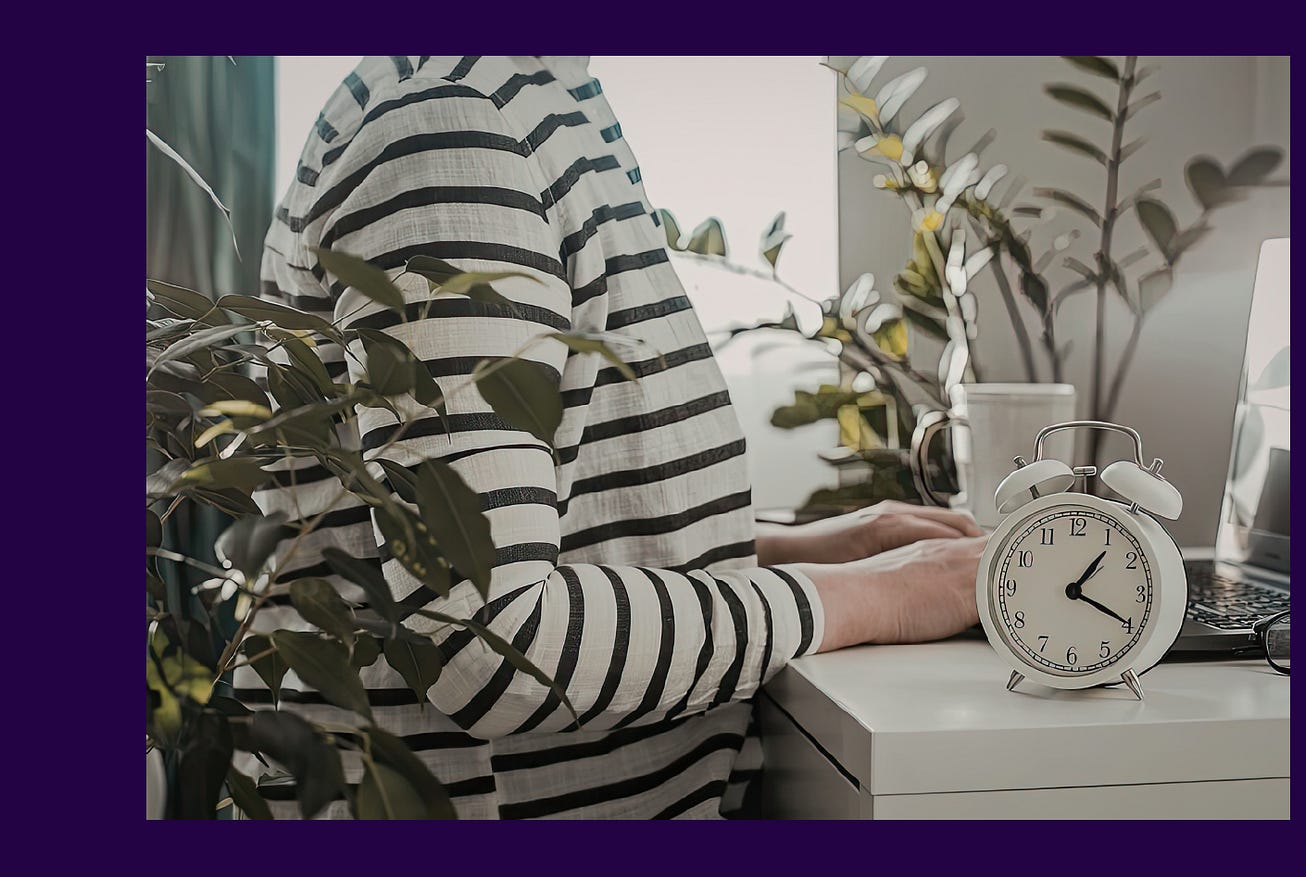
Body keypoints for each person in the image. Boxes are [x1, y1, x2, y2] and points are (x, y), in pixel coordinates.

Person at [237, 55, 986, 819]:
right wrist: (877, 597)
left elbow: (550, 519)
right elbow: (493, 643)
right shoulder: (455, 128)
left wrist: (783, 548)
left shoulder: (529, 95)